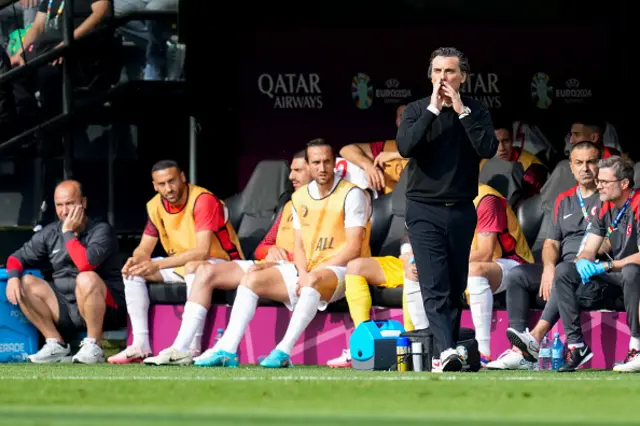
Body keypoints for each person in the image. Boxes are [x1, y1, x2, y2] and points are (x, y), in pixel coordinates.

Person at [193, 139, 371, 368]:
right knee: (251, 279)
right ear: (308, 165)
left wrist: (310, 273)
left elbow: (354, 247)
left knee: (313, 281)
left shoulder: (351, 194)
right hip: (307, 268)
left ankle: (283, 351)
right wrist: (302, 270)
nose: (323, 167)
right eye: (316, 162)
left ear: (335, 163)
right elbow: (298, 245)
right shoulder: (299, 198)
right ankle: (227, 349)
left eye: (327, 161)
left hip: (341, 269)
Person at [142, 151, 311, 365]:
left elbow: (325, 250)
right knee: (204, 270)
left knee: (243, 277)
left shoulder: (330, 204)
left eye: (297, 170)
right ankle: (180, 349)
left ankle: (224, 348)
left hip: (295, 270)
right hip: (271, 264)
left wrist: (288, 256)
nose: (290, 177)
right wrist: (271, 250)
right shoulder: (290, 204)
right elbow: (262, 248)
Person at [396, 46, 498, 372]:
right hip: (423, 209)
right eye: (438, 71)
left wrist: (460, 110)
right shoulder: (415, 111)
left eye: (450, 71)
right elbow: (406, 147)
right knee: (435, 283)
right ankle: (447, 351)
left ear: (463, 77)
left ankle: (448, 352)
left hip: (461, 210)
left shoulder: (476, 111)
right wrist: (433, 110)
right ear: (430, 76)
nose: (443, 78)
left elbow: (488, 148)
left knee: (455, 287)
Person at [107, 160, 244, 364]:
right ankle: (140, 344)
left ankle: (191, 348)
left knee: (193, 267)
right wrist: (135, 259)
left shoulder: (202, 199)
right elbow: (145, 247)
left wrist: (158, 265)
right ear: (154, 186)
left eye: (172, 181)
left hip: (222, 263)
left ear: (182, 177)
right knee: (134, 271)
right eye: (161, 184)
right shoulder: (155, 205)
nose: (168, 188)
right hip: (184, 262)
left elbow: (202, 251)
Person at [495, 141, 603, 370]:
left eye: (591, 162)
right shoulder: (563, 200)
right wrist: (548, 267)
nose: (585, 168)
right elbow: (551, 243)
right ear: (571, 168)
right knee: (517, 275)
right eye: (579, 163)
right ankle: (519, 350)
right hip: (563, 267)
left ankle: (533, 340)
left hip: (592, 271)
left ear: (600, 164)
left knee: (564, 273)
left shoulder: (608, 197)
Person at [5, 180, 124, 364]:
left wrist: (68, 232)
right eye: (59, 205)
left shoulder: (101, 230)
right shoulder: (50, 232)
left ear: (83, 203)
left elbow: (85, 264)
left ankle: (94, 346)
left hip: (104, 309)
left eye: (70, 203)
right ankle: (56, 344)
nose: (65, 211)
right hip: (66, 308)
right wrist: (13, 278)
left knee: (86, 278)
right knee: (26, 281)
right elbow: (16, 257)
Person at [548, 156, 640, 372]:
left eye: (604, 182)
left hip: (632, 274)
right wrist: (582, 261)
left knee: (631, 271)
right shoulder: (603, 205)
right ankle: (576, 346)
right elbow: (589, 248)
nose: (598, 185)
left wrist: (606, 266)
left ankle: (636, 347)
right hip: (616, 275)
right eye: (598, 180)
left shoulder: (638, 205)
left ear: (624, 184)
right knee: (564, 270)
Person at [325, 233, 430, 368]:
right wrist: (407, 251)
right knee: (355, 267)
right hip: (409, 259)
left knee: (412, 271)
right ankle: (363, 342)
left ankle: (410, 346)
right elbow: (409, 229)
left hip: (433, 260)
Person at [466, 183, 533, 366]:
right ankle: (424, 347)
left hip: (513, 263)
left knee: (475, 271)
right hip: (469, 262)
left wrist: (446, 261)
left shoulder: (486, 200)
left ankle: (482, 352)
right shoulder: (443, 200)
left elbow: (485, 253)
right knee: (417, 271)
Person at [338, 104, 408, 194]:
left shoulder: (429, 144)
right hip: (391, 204)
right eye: (401, 116)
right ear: (397, 121)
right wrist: (368, 166)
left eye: (410, 115)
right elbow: (346, 150)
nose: (405, 120)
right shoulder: (386, 147)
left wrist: (393, 155)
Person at [481, 126, 547, 200]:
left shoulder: (532, 167)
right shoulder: (484, 163)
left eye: (505, 141)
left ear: (512, 140)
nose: (501, 148)